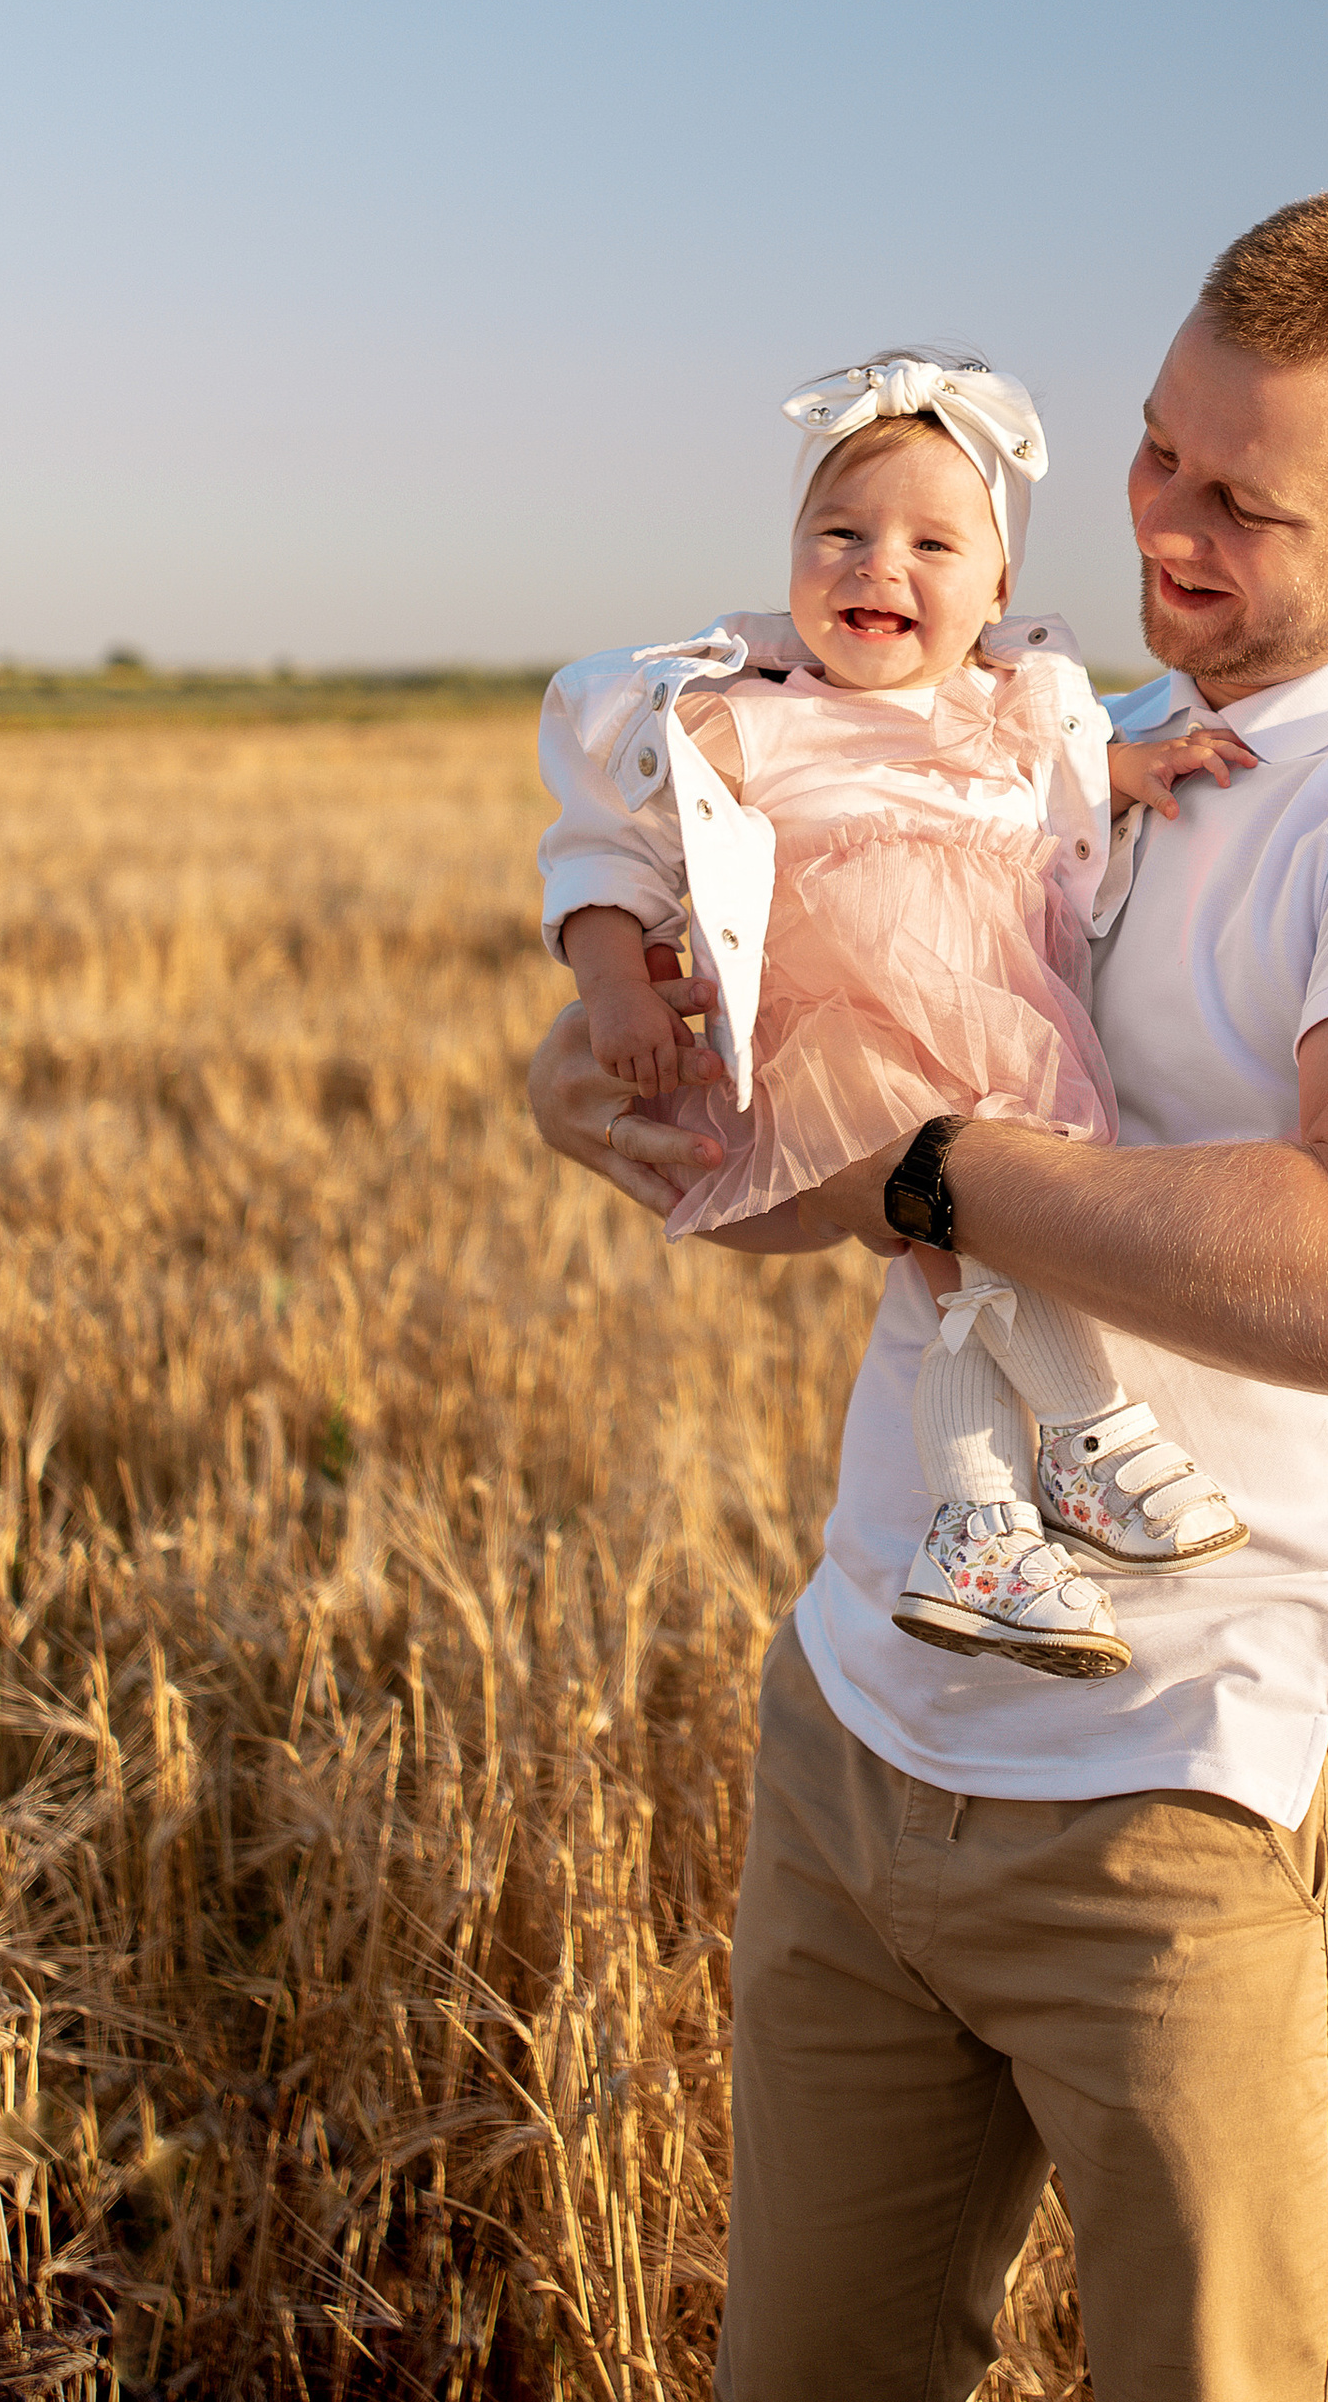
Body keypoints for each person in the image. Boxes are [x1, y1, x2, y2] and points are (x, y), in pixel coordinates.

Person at [528, 186, 1328, 2402]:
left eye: (1245, 498)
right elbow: (807, 1143)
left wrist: (931, 1163)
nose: (1163, 525)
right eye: (1152, 452)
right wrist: (629, 1081)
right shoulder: (1046, 743)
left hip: (1190, 1821)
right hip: (860, 1737)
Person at [536, 345, 1255, 1681]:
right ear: (790, 553)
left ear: (999, 588)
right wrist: (615, 979)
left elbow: (1061, 778)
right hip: (849, 1046)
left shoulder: (1007, 712)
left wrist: (1131, 764)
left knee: (980, 1266)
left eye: (934, 541)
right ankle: (1087, 1428)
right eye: (842, 533)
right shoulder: (746, 723)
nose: (879, 565)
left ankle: (983, 1521)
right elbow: (604, 855)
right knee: (966, 1249)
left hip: (995, 1029)